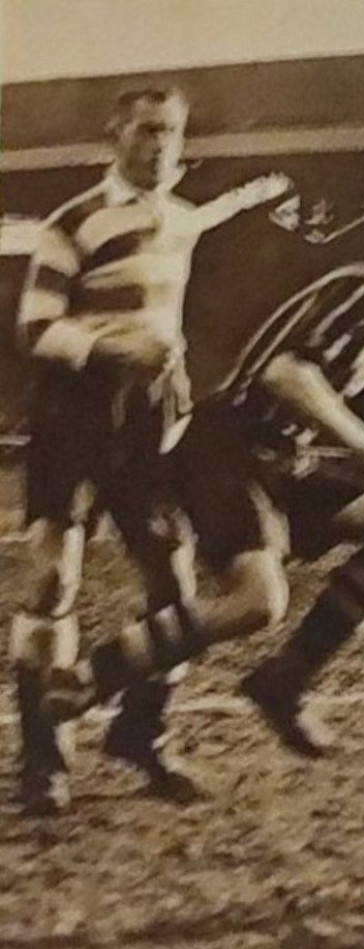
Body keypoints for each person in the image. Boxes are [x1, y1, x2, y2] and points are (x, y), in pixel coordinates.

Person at [43, 189, 364, 760]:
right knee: (257, 601)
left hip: (280, 463)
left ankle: (285, 683)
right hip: (226, 448)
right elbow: (286, 372)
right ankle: (86, 679)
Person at [12, 85, 208, 815]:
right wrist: (113, 347)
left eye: (172, 131)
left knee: (176, 581)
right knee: (50, 584)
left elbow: (167, 318)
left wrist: (171, 370)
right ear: (115, 137)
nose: (160, 144)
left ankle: (142, 732)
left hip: (145, 424)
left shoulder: (184, 223)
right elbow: (35, 328)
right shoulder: (71, 224)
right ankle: (42, 758)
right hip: (73, 418)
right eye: (146, 130)